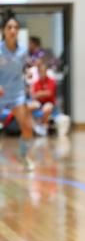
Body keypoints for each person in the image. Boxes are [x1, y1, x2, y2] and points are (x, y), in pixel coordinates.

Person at [0, 16, 35, 169]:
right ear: (3, 30)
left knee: (27, 128)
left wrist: (28, 73)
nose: (12, 30)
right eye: (9, 27)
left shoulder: (22, 50)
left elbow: (24, 67)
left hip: (17, 93)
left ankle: (24, 155)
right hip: (0, 92)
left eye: (15, 27)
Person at [30, 61, 57, 136]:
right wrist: (43, 93)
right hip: (39, 102)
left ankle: (43, 127)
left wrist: (39, 93)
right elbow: (34, 96)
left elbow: (49, 94)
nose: (42, 73)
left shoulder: (51, 81)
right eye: (40, 71)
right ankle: (33, 126)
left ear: (46, 71)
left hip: (49, 102)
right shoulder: (36, 82)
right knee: (29, 107)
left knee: (46, 109)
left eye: (43, 71)